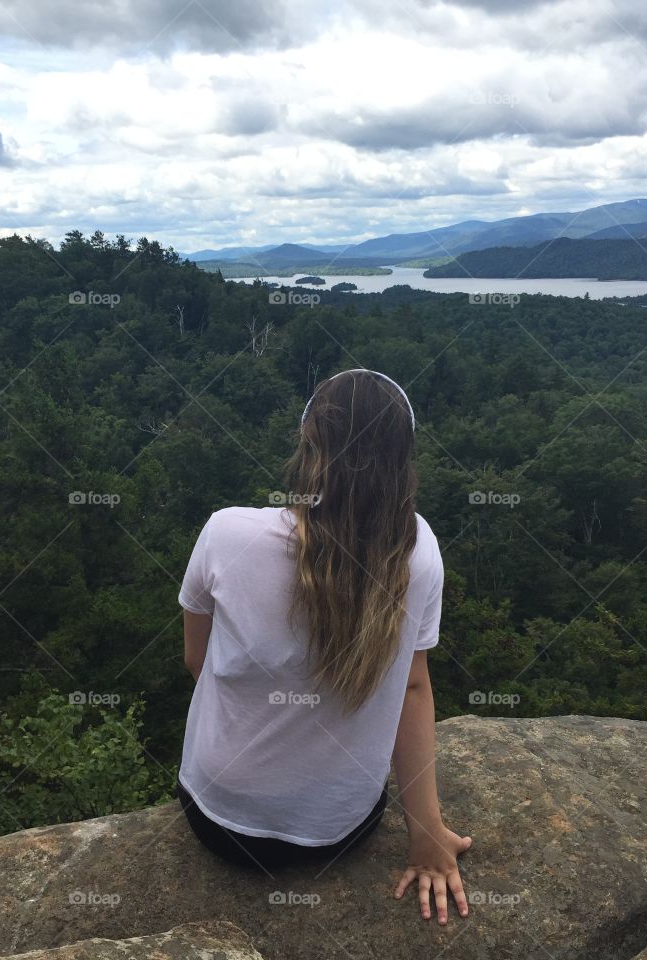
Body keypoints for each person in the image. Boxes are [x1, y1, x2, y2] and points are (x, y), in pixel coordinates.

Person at [176, 368, 473, 925]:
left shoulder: (225, 533)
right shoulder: (418, 552)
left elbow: (198, 661)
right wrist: (428, 835)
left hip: (218, 820)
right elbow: (413, 688)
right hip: (340, 829)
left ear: (307, 445)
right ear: (404, 460)